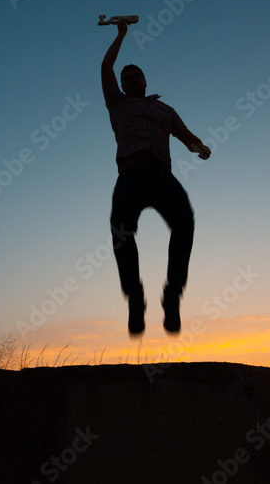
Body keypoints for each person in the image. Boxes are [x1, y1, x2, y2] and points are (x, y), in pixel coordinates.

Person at [100, 19, 211, 336]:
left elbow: (184, 134)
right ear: (122, 85)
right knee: (121, 232)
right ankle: (135, 297)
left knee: (184, 223)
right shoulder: (117, 104)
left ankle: (172, 294)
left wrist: (199, 147)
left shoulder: (166, 110)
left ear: (146, 80)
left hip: (162, 178)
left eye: (136, 76)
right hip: (130, 178)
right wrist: (121, 35)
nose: (132, 80)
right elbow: (106, 66)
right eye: (127, 78)